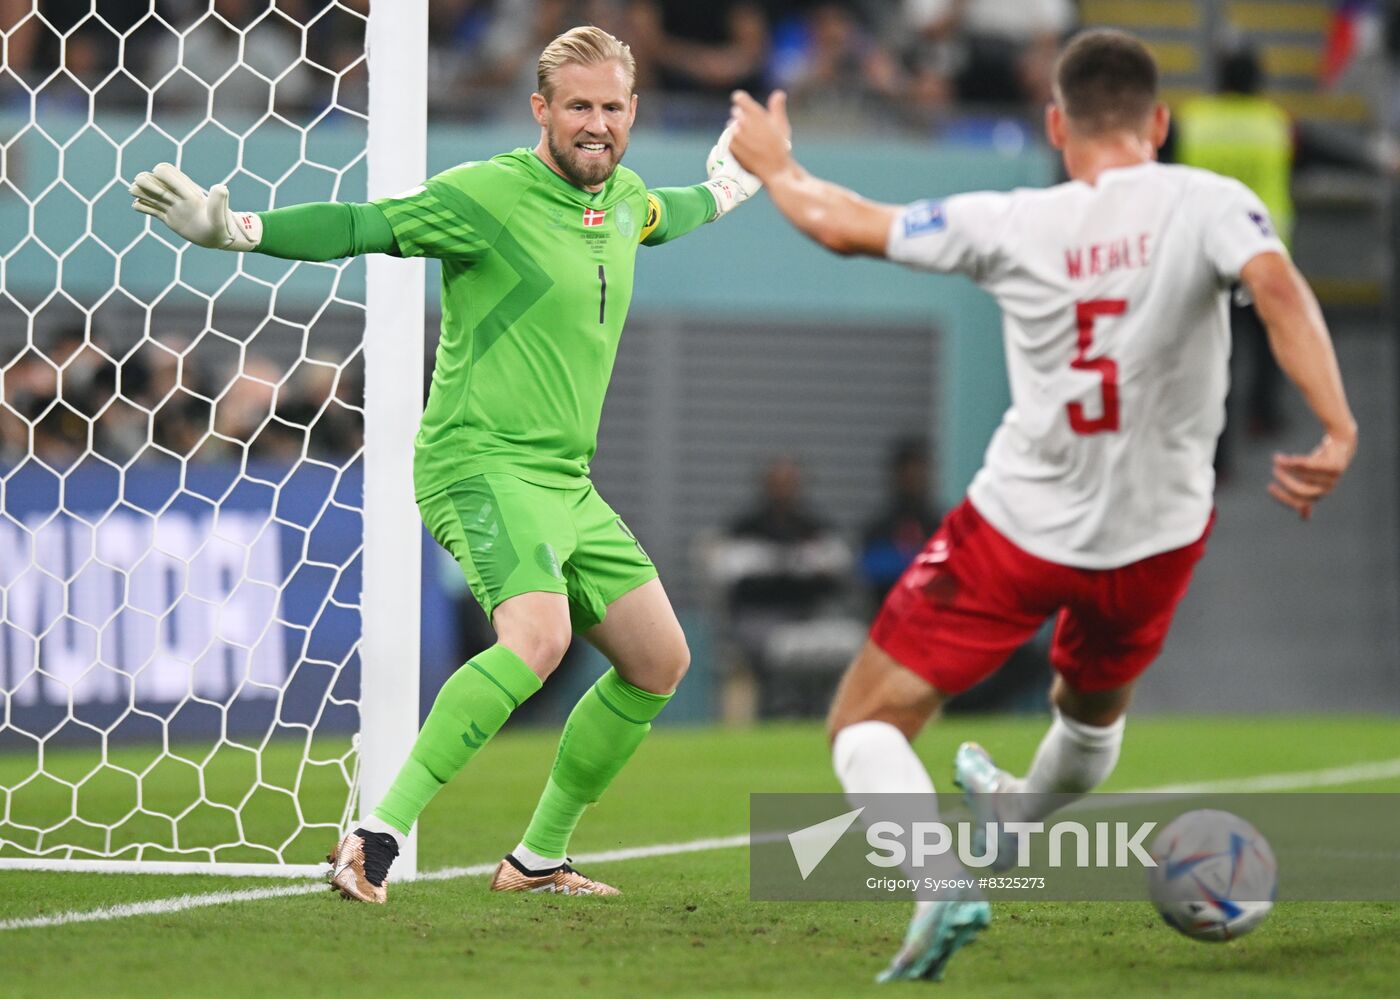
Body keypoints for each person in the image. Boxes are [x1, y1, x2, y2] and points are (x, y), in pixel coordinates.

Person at [727, 28, 1356, 981]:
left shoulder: (1013, 218)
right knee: (1091, 720)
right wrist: (1336, 425)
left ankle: (942, 876)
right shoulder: (1212, 202)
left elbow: (841, 223)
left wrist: (776, 166)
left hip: (1020, 526)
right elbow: (1276, 284)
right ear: (1161, 123)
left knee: (865, 721)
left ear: (1057, 124)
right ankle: (1018, 813)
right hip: (1155, 538)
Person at [130, 25, 767, 903]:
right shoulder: (487, 196)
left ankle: (539, 858)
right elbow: (363, 224)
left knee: (659, 661)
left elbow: (671, 214)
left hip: (563, 480)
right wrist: (233, 229)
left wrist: (738, 178)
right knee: (537, 639)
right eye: (578, 105)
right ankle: (374, 836)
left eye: (613, 107)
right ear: (541, 109)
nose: (597, 124)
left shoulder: (624, 200)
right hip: (478, 460)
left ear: (631, 112)